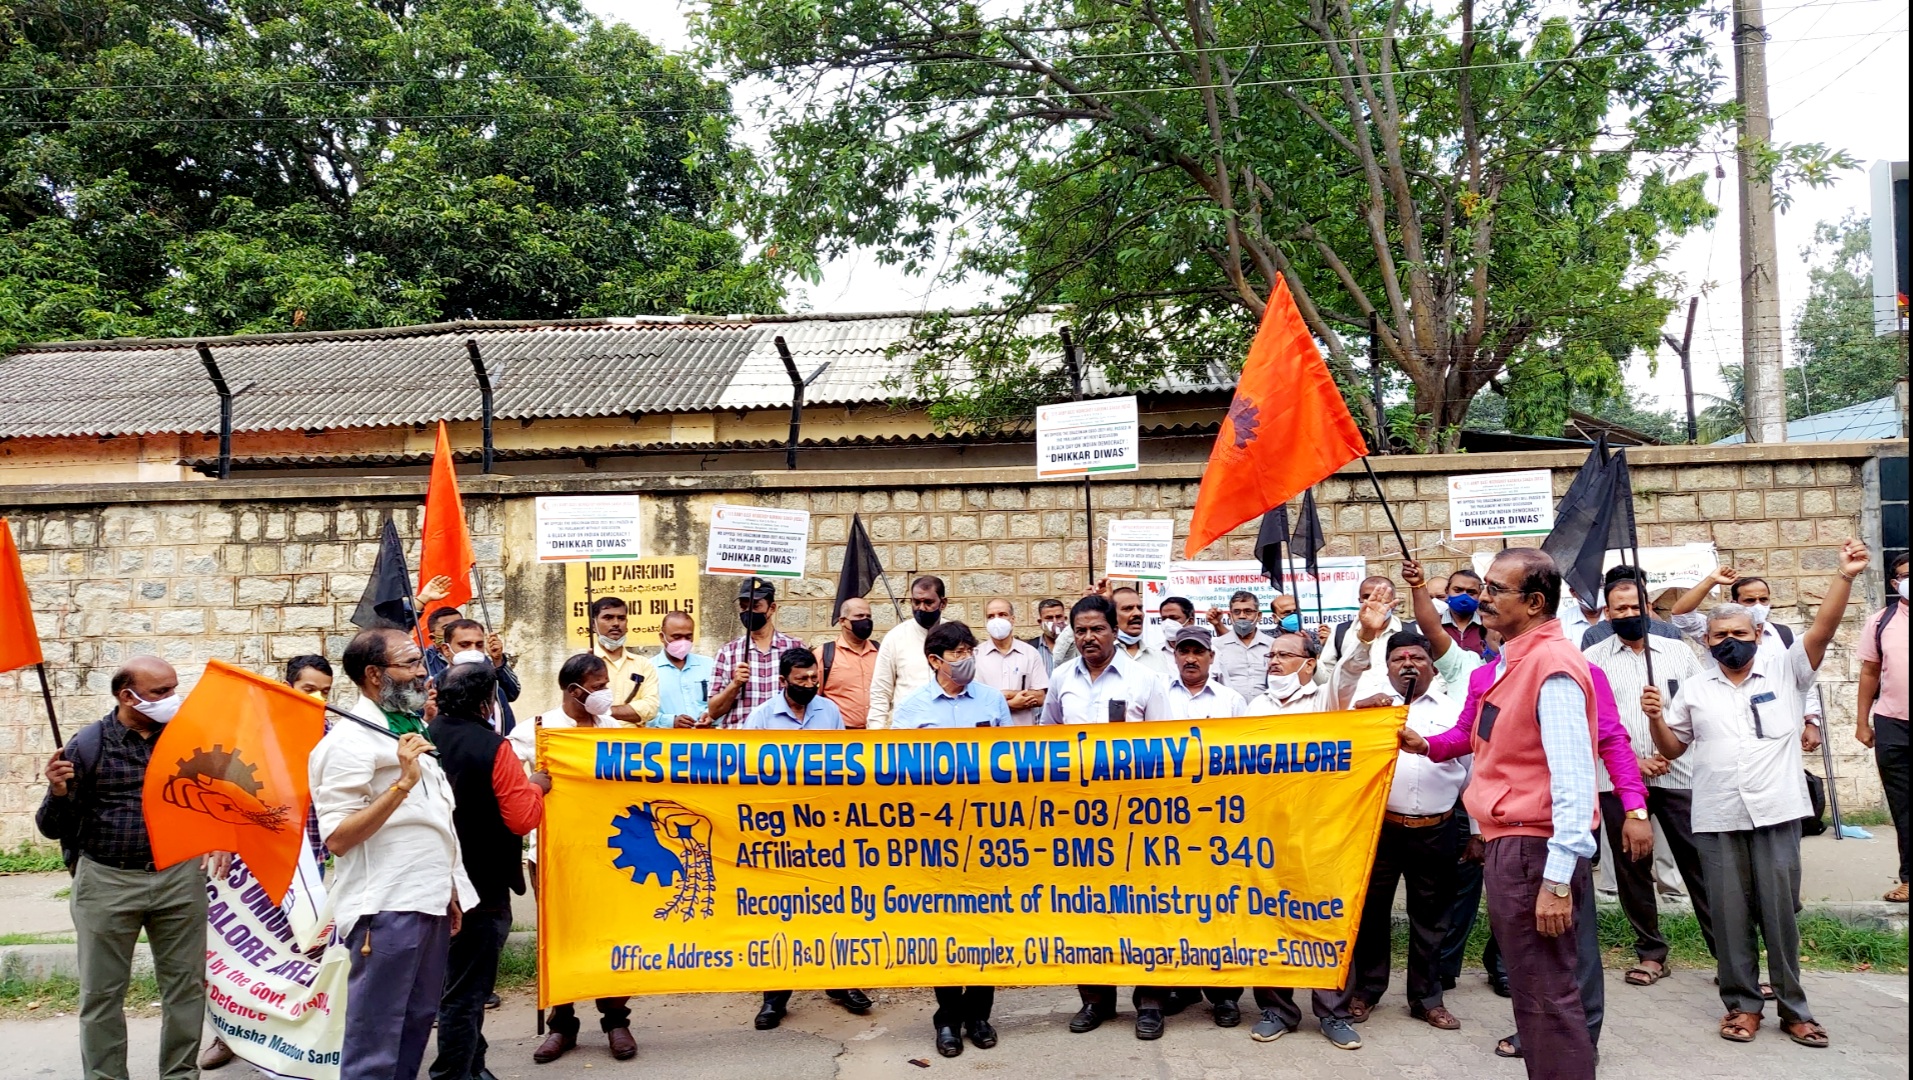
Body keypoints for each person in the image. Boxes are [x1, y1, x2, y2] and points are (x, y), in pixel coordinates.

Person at [1642, 539, 1868, 1051]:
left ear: (1759, 633)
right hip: (1718, 816)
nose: (1729, 642)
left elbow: (1824, 629)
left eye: (1738, 633)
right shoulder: (1696, 688)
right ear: (1708, 641)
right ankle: (1742, 1006)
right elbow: (1674, 748)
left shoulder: (1786, 671)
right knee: (1729, 916)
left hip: (1777, 812)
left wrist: (1845, 577)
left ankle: (1795, 1009)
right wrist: (1656, 719)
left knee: (1780, 915)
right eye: (1719, 635)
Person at [1396, 549, 1599, 1080]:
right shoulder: (1508, 663)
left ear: (1534, 603)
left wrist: (1556, 879)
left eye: (1495, 589)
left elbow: (1573, 776)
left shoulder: (1551, 668)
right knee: (1534, 991)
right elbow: (1477, 738)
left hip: (1537, 848)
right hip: (1510, 844)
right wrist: (1427, 746)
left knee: (1547, 991)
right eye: (1484, 586)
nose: (1481, 598)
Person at [37, 656, 227, 1080]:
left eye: (175, 689)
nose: (172, 699)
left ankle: (180, 1075)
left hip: (178, 878)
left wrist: (220, 838)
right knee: (101, 994)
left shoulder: (188, 738)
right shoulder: (87, 746)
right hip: (107, 880)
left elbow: (212, 794)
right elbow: (51, 829)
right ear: (127, 696)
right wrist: (58, 791)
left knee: (185, 988)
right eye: (161, 692)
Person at [311, 628, 477, 1080]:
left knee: (415, 1024)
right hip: (384, 908)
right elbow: (339, 838)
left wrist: (450, 888)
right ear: (374, 675)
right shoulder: (347, 744)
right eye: (410, 663)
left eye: (421, 662)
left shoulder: (410, 727)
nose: (424, 672)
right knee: (376, 1035)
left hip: (428, 899)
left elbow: (435, 819)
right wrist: (401, 783)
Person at [1040, 595, 1173, 1038]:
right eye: (1080, 630)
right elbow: (1047, 743)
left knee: (1145, 907)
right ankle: (1095, 999)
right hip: (1079, 819)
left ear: (1115, 630)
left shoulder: (1144, 679)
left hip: (1137, 817)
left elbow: (1167, 748)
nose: (1088, 637)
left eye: (1097, 628)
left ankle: (1150, 1002)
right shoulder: (1061, 679)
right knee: (1086, 909)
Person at [202, 653, 338, 1073]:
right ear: (287, 687)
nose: (318, 698)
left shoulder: (334, 735)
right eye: (309, 689)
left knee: (294, 952)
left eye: (326, 692)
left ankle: (286, 1032)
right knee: (240, 950)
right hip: (247, 865)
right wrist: (223, 839)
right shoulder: (254, 734)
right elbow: (224, 789)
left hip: (308, 863)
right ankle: (228, 1034)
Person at [887, 622, 1011, 1056]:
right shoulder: (911, 710)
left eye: (969, 649)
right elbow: (895, 775)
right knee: (941, 928)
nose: (968, 658)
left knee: (983, 927)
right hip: (934, 839)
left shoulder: (993, 701)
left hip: (986, 837)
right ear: (935, 661)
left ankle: (979, 1015)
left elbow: (1011, 765)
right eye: (958, 652)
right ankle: (947, 1019)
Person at [1583, 574, 1712, 986]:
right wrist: (1633, 762)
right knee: (1631, 868)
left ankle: (1728, 955)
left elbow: (1699, 708)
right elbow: (1588, 722)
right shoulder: (1592, 660)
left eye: (1634, 606)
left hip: (1680, 772)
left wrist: (1667, 750)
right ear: (1607, 613)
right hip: (1618, 779)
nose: (1628, 614)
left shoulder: (1678, 653)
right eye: (1618, 609)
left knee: (1700, 866)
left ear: (1649, 608)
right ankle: (1651, 952)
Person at [1241, 621, 1365, 1049]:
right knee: (1269, 919)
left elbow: (1350, 673)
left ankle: (1333, 1011)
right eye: (1270, 655)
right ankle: (1277, 1008)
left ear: (1310, 664)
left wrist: (1364, 636)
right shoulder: (1254, 708)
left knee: (1328, 916)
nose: (1274, 661)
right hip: (1269, 832)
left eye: (1284, 655)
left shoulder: (1327, 700)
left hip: (1322, 830)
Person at [511, 653, 638, 1064]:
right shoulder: (539, 729)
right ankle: (561, 1025)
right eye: (598, 687)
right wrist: (533, 785)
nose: (605, 693)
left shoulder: (614, 729)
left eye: (605, 685)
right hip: (551, 850)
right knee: (558, 934)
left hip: (606, 852)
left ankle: (616, 1020)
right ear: (574, 690)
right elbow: (510, 778)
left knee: (609, 932)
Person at [1342, 632, 1468, 1032]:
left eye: (1417, 657)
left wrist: (1478, 831)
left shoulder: (1455, 710)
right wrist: (1360, 716)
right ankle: (1366, 989)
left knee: (1431, 918)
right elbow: (1343, 751)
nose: (1408, 663)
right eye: (1398, 658)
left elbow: (1474, 772)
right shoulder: (1370, 710)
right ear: (1387, 667)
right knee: (1372, 912)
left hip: (1438, 827)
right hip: (1381, 828)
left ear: (1433, 665)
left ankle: (1426, 997)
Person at [429, 663, 548, 1080]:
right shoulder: (494, 748)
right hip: (481, 886)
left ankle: (473, 1064)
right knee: (466, 992)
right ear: (487, 703)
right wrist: (535, 785)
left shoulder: (423, 738)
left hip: (432, 879)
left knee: (454, 982)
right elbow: (521, 819)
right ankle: (454, 1072)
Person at [746, 648, 872, 1028]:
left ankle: (840, 982)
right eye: (800, 680)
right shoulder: (762, 717)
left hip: (825, 827)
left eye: (813, 679)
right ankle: (776, 996)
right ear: (783, 681)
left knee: (834, 907)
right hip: (779, 832)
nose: (809, 685)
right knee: (780, 913)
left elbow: (843, 762)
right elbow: (744, 771)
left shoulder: (829, 711)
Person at [1667, 567, 1827, 729]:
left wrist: (1811, 720)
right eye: (1750, 601)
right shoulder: (1718, 630)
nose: (1758, 605)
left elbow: (1801, 678)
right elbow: (1681, 616)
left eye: (1763, 600)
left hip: (1776, 724)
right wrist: (1711, 581)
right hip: (1726, 721)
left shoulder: (1783, 634)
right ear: (1734, 603)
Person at [1857, 553, 1909, 903]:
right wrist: (1862, 721)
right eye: (1906, 575)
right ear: (1895, 583)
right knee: (1904, 804)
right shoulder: (1880, 621)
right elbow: (1870, 673)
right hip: (1893, 722)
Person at [708, 579, 803, 728]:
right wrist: (735, 685)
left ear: (771, 608)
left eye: (755, 606)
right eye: (744, 607)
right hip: (741, 743)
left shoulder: (795, 648)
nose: (748, 612)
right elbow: (713, 711)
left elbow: (808, 698)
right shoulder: (727, 652)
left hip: (783, 742)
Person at [866, 575, 946, 729]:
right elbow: (881, 691)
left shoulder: (955, 636)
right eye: (916, 602)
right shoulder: (895, 637)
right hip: (907, 731)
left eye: (928, 602)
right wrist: (875, 732)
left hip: (948, 731)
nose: (921, 608)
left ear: (942, 603)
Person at [437, 618, 522, 735]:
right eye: (464, 645)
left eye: (479, 645)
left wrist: (498, 661)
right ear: (446, 649)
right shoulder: (436, 685)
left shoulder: (492, 682)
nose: (473, 650)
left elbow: (512, 693)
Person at [586, 596, 661, 726]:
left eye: (621, 618)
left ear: (626, 624)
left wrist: (605, 711)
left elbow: (650, 708)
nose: (616, 623)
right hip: (596, 741)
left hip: (634, 742)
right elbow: (581, 707)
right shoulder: (584, 664)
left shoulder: (643, 665)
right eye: (608, 618)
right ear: (593, 625)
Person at [1316, 576, 1402, 686]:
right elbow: (1327, 679)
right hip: (1353, 701)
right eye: (1366, 597)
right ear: (1359, 600)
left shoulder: (1410, 631)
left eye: (1381, 597)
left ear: (1393, 601)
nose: (1373, 601)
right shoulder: (1341, 632)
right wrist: (1309, 657)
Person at [977, 599, 1048, 726]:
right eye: (991, 617)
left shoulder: (1030, 653)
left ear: (1012, 619)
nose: (996, 620)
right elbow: (973, 700)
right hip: (987, 737)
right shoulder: (975, 655)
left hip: (1023, 736)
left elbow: (1040, 697)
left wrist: (1008, 694)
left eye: (1002, 615)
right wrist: (1009, 704)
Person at [817, 597, 881, 729]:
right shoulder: (825, 654)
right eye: (859, 616)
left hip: (878, 736)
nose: (866, 621)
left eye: (868, 616)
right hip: (841, 736)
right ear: (842, 621)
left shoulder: (881, 652)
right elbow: (814, 699)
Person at [1164, 625, 1247, 721]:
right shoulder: (1161, 694)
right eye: (1184, 652)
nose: (1190, 659)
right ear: (1175, 656)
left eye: (1198, 652)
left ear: (1211, 657)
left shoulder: (1232, 700)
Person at [652, 610, 716, 728]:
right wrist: (670, 721)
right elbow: (641, 713)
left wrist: (711, 715)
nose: (683, 642)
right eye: (676, 637)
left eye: (688, 637)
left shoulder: (709, 665)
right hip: (667, 743)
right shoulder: (648, 669)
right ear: (662, 637)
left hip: (706, 740)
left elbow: (722, 703)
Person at [1208, 589, 1273, 700]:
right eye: (1237, 612)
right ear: (1230, 616)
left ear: (1259, 616)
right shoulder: (1216, 646)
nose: (1242, 616)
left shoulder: (1273, 646)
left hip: (1265, 711)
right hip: (1229, 712)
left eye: (1248, 611)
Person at [1109, 585, 1173, 678]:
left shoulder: (1157, 655)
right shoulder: (1103, 655)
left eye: (1139, 608)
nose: (1138, 613)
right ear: (1112, 615)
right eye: (1128, 608)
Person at [1436, 569, 1492, 658]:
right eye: (1458, 590)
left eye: (1471, 592)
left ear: (1480, 594)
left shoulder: (1490, 626)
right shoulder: (1434, 625)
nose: (1464, 597)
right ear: (1447, 591)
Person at [1029, 597, 1068, 674]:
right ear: (1040, 622)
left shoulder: (1076, 646)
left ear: (1065, 619)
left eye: (1058, 617)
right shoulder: (1030, 649)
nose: (1055, 621)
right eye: (1049, 618)